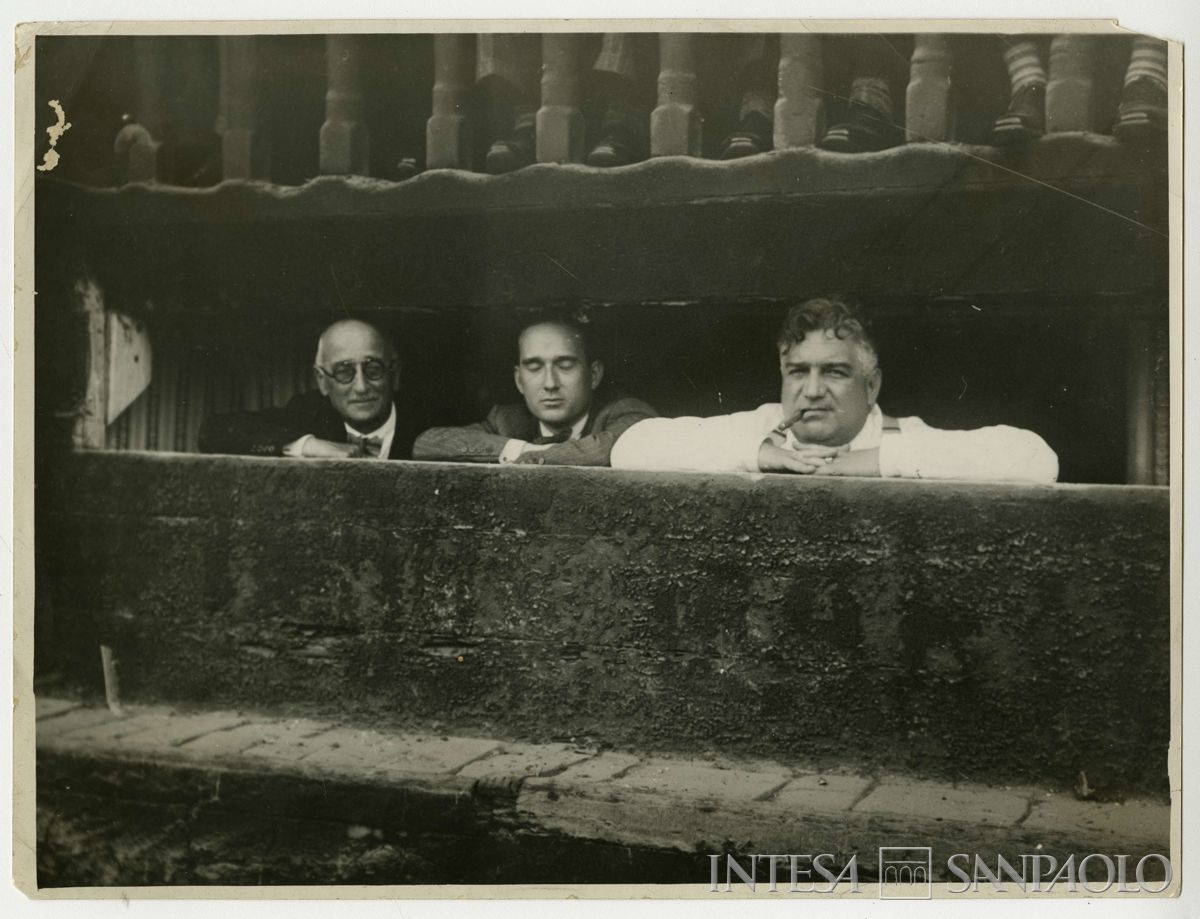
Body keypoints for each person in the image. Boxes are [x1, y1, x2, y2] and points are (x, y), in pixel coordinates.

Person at [610, 298, 1058, 483]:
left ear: (872, 384)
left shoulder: (904, 438)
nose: (812, 390)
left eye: (835, 373)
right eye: (797, 372)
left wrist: (876, 461)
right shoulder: (764, 428)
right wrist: (758, 454)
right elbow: (631, 446)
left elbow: (1036, 459)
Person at [413, 316, 657, 466]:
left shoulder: (626, 412)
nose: (550, 383)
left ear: (594, 375)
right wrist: (521, 450)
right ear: (519, 380)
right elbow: (428, 443)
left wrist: (532, 459)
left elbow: (604, 450)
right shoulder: (507, 419)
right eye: (535, 367)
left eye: (565, 365)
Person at [198, 318, 425, 460]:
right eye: (344, 372)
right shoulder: (310, 412)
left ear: (394, 373)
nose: (361, 386)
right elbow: (213, 432)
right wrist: (308, 445)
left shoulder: (428, 418)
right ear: (322, 380)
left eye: (373, 369)